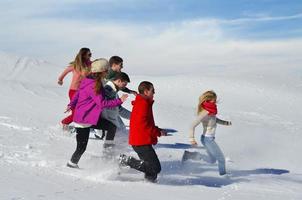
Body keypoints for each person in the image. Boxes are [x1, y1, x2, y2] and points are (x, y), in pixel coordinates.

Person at [66, 58, 128, 168]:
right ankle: (72, 164)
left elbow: (78, 94)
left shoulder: (89, 80)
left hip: (90, 117)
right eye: (106, 71)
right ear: (102, 71)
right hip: (84, 120)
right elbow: (102, 103)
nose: (108, 73)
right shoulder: (94, 85)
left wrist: (71, 104)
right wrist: (119, 101)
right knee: (81, 148)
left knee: (111, 127)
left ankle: (107, 155)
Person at [119, 81, 167, 182]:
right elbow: (145, 126)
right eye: (152, 91)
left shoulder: (143, 103)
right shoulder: (143, 104)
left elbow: (145, 123)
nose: (154, 93)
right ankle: (126, 160)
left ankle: (149, 184)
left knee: (151, 170)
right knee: (155, 168)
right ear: (146, 92)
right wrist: (158, 132)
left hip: (140, 140)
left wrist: (158, 130)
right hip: (140, 141)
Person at [183, 90, 232, 175]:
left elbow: (214, 120)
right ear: (208, 100)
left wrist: (226, 123)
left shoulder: (211, 111)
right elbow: (192, 125)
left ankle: (190, 155)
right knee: (221, 159)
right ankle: (223, 175)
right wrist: (191, 139)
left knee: (212, 160)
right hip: (207, 139)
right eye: (214, 100)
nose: (215, 102)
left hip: (208, 138)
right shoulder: (205, 112)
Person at [58, 48, 92, 129]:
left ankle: (82, 126)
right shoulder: (75, 65)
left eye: (91, 54)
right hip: (73, 91)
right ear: (83, 55)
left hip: (84, 93)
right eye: (89, 54)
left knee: (83, 111)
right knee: (76, 112)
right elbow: (65, 71)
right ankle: (64, 123)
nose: (90, 56)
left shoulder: (90, 65)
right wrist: (60, 79)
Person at [95, 72, 132, 140]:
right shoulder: (108, 90)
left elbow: (118, 108)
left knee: (122, 131)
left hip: (110, 117)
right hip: (105, 119)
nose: (124, 87)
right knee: (121, 133)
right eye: (124, 84)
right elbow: (104, 106)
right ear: (119, 81)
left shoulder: (113, 89)